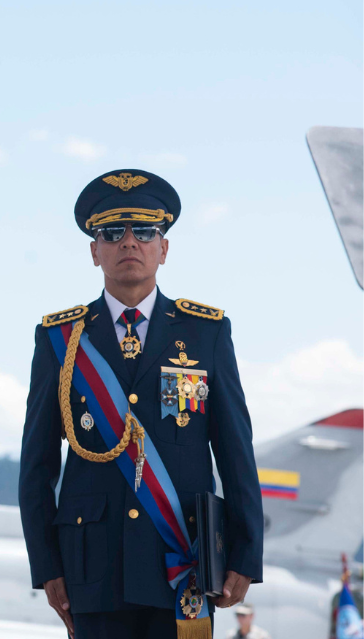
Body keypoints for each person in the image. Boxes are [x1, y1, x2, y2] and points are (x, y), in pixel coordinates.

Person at [18, 169, 264, 638]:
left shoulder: (206, 333)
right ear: (95, 251)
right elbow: (37, 464)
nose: (129, 242)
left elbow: (236, 451)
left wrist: (246, 553)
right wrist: (46, 565)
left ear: (163, 248)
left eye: (145, 232)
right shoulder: (59, 339)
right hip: (92, 569)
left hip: (183, 563)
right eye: (113, 232)